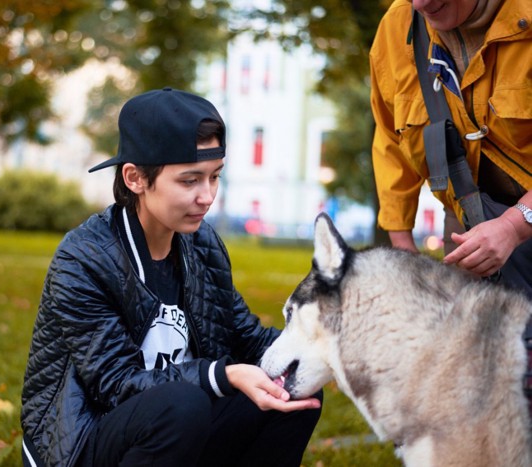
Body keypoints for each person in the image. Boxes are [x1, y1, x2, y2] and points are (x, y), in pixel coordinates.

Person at [20, 87, 322, 467]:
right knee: (183, 403)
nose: (207, 196)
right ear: (135, 178)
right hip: (87, 442)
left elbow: (246, 336)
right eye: (189, 180)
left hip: (178, 432)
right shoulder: (83, 259)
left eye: (214, 177)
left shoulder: (202, 245)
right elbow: (116, 383)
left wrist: (325, 353)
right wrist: (220, 375)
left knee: (292, 384)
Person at [370, 0, 532, 284]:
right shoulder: (397, 27)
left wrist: (513, 226)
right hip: (467, 222)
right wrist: (402, 248)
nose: (420, 4)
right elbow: (390, 140)